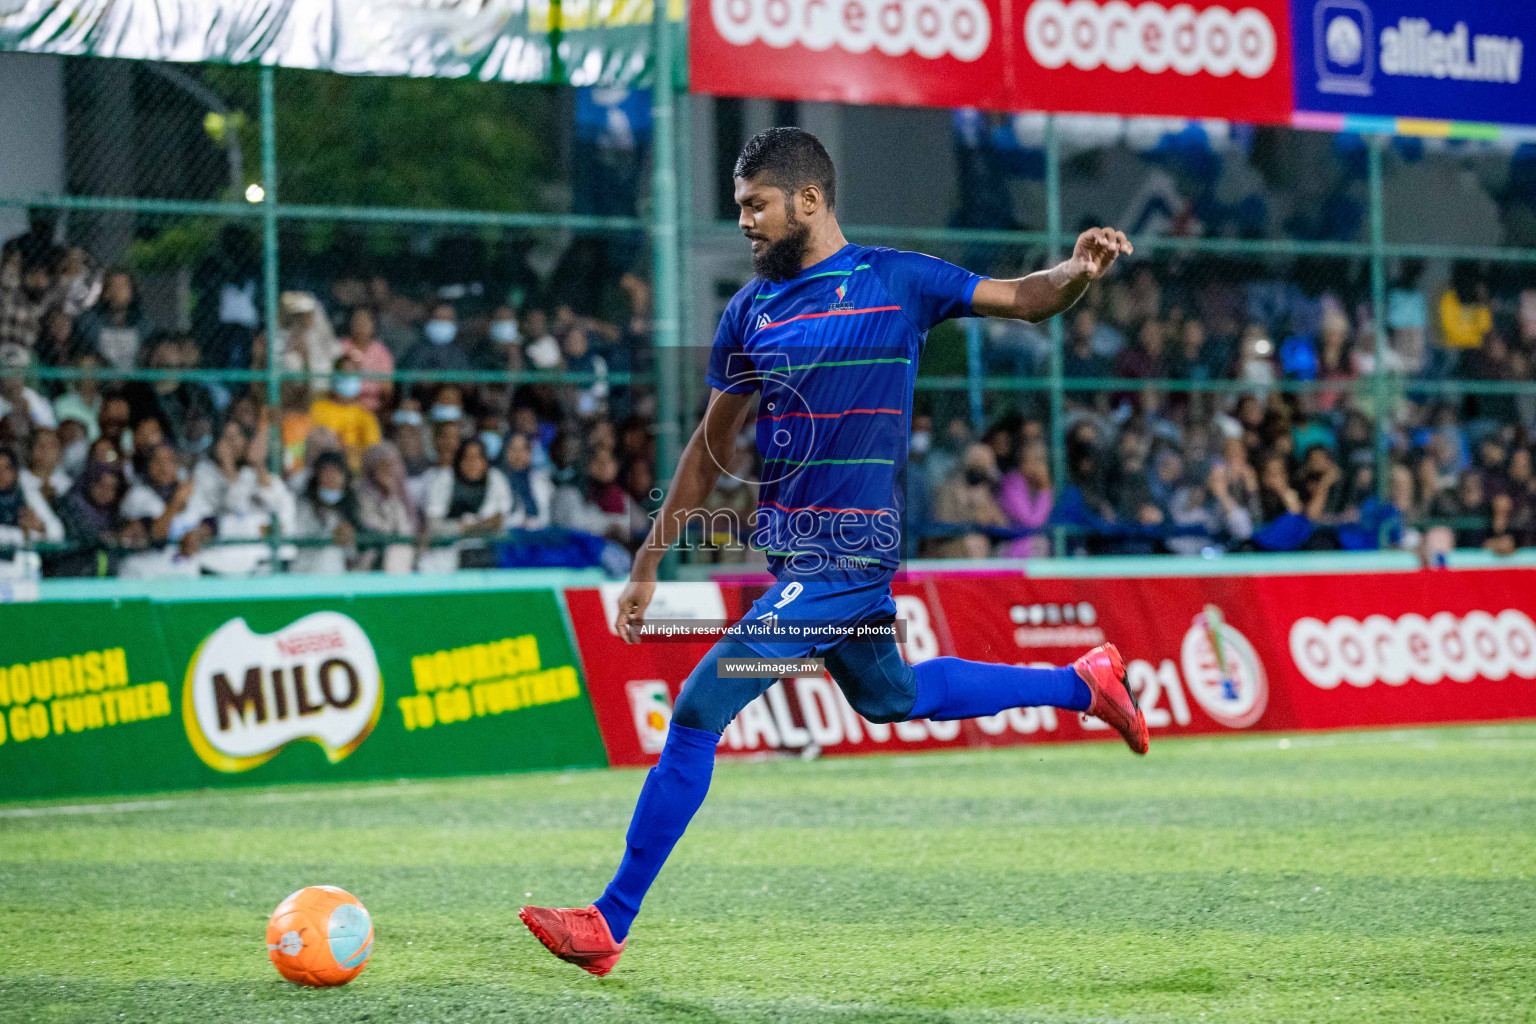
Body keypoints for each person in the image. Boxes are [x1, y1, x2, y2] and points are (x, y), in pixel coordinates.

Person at [518, 127, 1146, 974]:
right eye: (739, 207)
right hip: (797, 563)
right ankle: (1082, 683)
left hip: (846, 562)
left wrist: (1075, 272)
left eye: (755, 205)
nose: (744, 222)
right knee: (892, 697)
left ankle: (608, 921)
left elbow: (1022, 298)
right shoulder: (750, 311)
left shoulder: (897, 281)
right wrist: (647, 563)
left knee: (702, 705)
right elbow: (709, 450)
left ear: (808, 201)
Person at [419, 437, 513, 572]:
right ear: (459, 460)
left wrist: (472, 526)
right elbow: (434, 526)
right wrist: (469, 527)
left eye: (478, 458)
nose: (472, 463)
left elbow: (500, 522)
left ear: (485, 461)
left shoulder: (496, 479)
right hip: (445, 556)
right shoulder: (444, 480)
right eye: (467, 458)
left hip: (488, 553)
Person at [289, 451, 357, 575]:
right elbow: (299, 538)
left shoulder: (347, 510)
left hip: (336, 579)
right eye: (327, 472)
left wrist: (349, 538)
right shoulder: (303, 506)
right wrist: (330, 534)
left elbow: (352, 555)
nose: (332, 478)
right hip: (305, 576)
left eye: (337, 473)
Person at [308, 354, 381, 469]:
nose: (348, 377)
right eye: (344, 373)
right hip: (322, 468)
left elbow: (373, 451)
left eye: (352, 374)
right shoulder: (318, 409)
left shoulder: (365, 415)